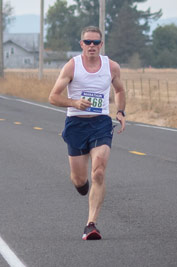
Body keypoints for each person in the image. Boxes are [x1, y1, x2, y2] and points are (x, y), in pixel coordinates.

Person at [49, 26, 126, 240]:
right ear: (81, 44)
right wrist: (74, 102)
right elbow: (53, 97)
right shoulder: (72, 66)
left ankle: (91, 224)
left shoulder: (111, 67)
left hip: (101, 123)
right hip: (76, 124)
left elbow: (119, 89)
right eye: (87, 42)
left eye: (96, 42)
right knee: (79, 179)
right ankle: (82, 186)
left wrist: (120, 111)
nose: (92, 46)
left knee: (99, 171)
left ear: (101, 45)